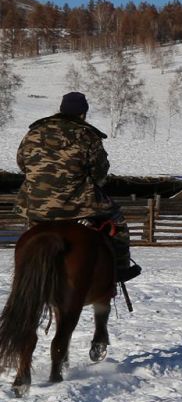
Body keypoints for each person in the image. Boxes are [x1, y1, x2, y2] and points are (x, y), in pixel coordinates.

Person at [16, 91, 141, 282]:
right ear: (83, 113)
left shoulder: (34, 133)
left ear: (61, 109)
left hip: (37, 206)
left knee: (31, 232)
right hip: (77, 206)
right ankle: (120, 269)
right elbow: (99, 171)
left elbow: (22, 164)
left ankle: (24, 274)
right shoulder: (88, 135)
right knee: (118, 220)